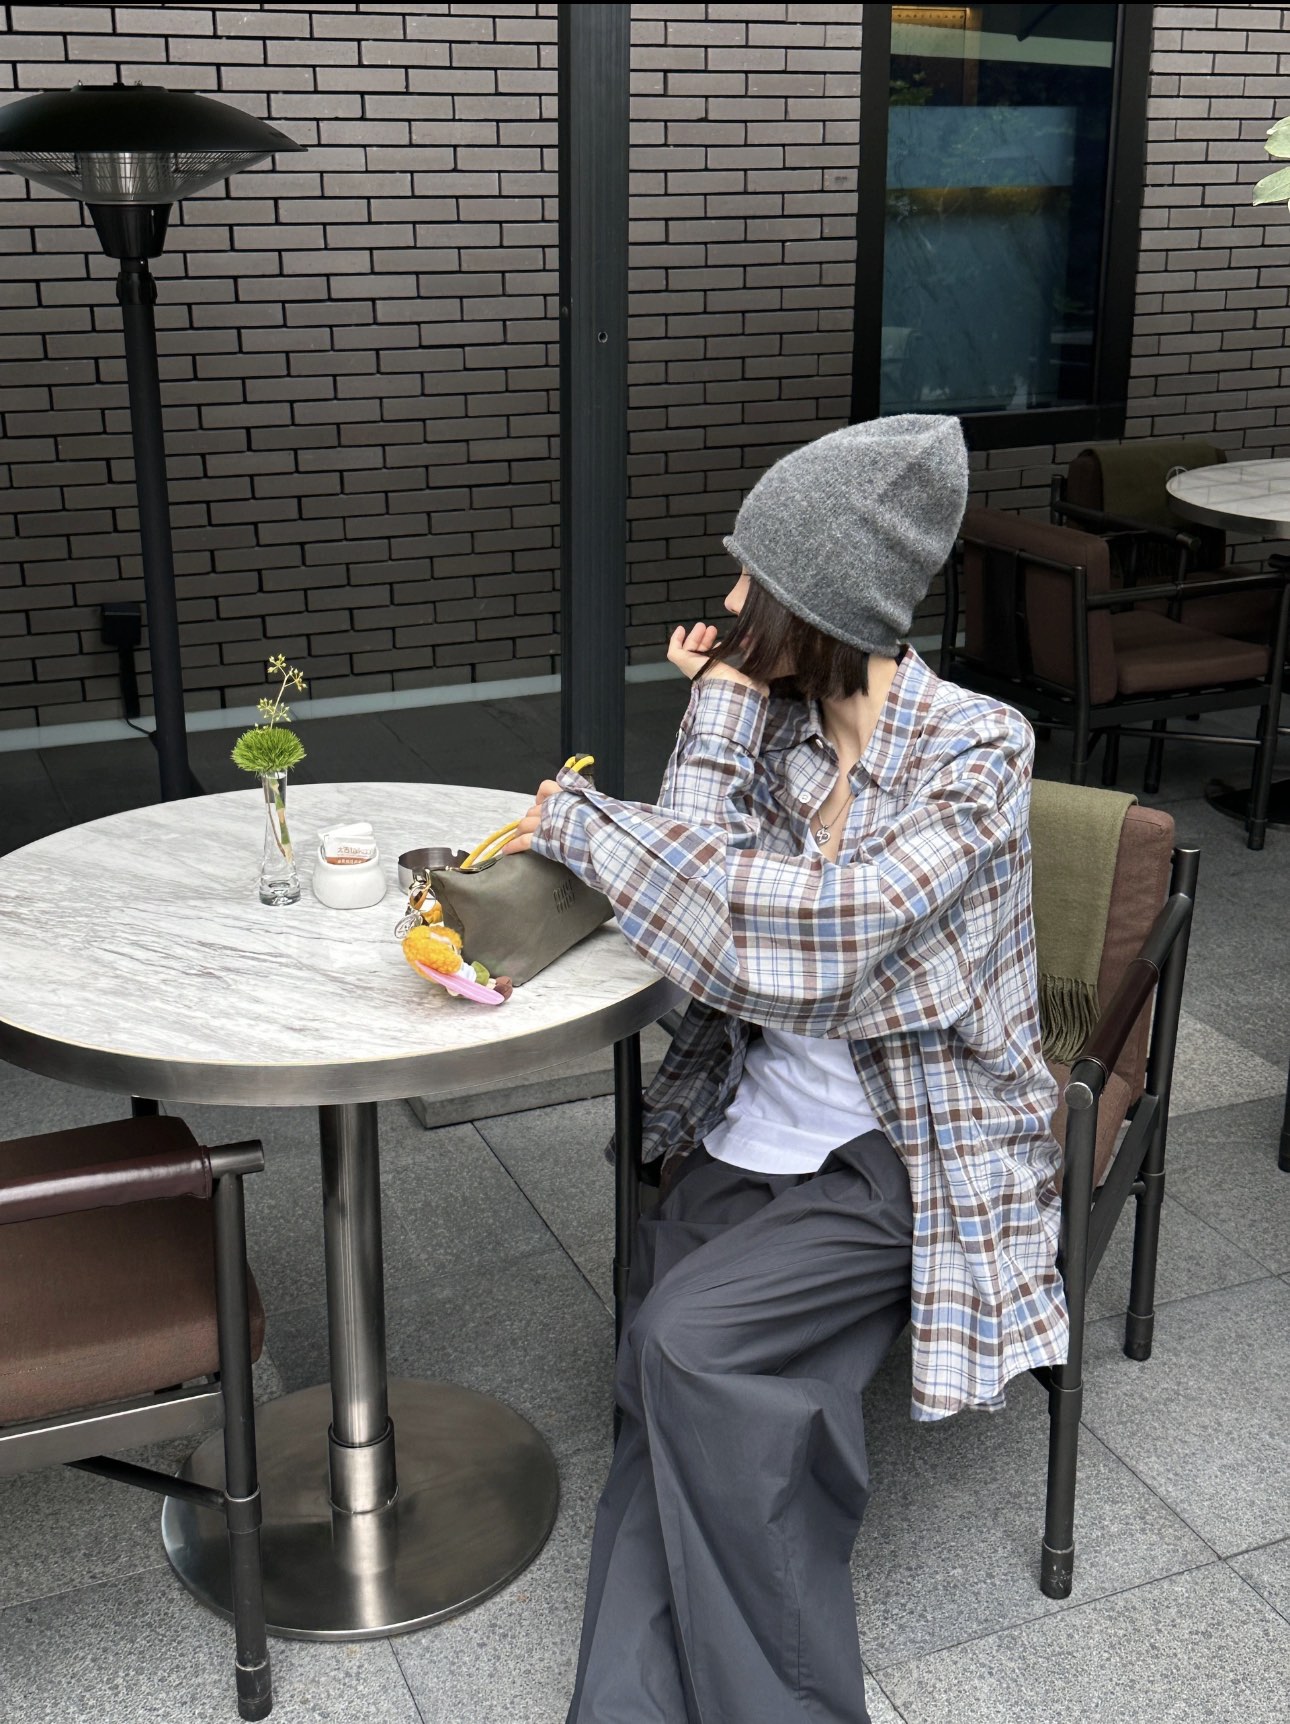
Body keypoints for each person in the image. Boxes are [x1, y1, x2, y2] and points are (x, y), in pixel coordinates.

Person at [502, 415, 1068, 1724]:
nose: (730, 593)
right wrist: (721, 703)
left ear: (819, 600)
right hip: (754, 1123)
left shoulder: (979, 753)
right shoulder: (781, 728)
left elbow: (816, 940)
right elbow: (697, 926)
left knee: (689, 1346)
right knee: (661, 1371)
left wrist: (586, 825)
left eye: (751, 575)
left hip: (911, 1148)